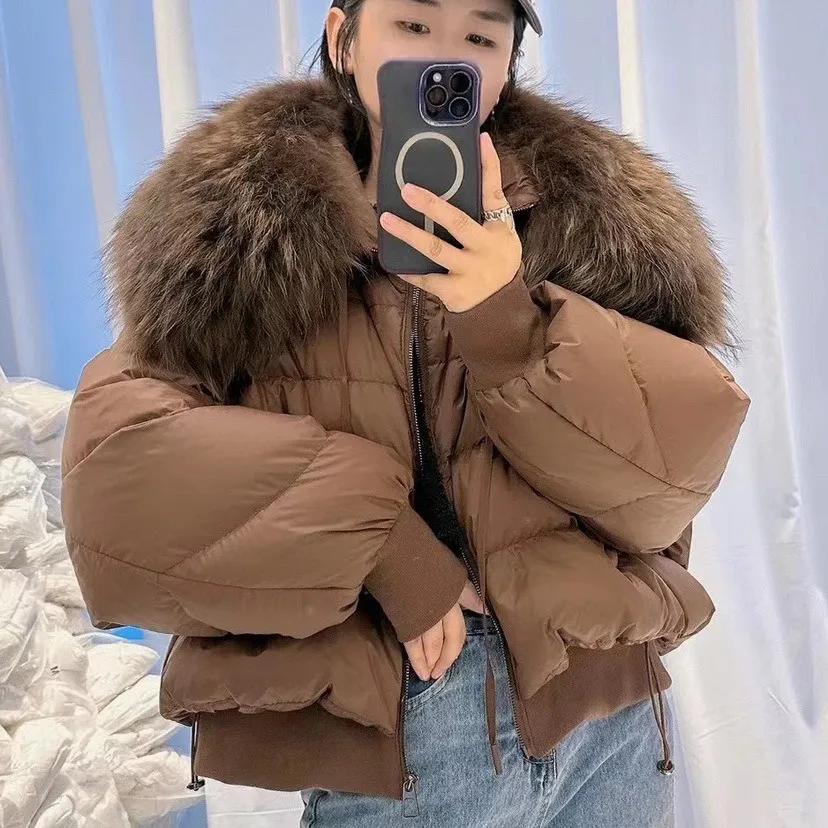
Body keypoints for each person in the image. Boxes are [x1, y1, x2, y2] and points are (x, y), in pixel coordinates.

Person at [61, 1, 750, 826]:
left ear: (506, 64)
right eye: (413, 26)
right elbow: (118, 472)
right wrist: (387, 549)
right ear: (343, 38)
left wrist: (504, 320)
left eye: (480, 37)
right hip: (410, 735)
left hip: (610, 728)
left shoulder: (597, 221)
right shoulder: (236, 233)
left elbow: (668, 484)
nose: (442, 57)